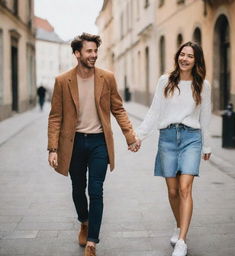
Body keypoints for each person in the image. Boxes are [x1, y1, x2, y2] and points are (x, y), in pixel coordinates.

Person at [47, 33, 140, 256]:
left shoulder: (107, 77)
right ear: (77, 53)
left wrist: (130, 136)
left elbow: (118, 108)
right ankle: (84, 221)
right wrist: (53, 148)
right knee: (78, 188)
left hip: (99, 142)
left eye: (96, 51)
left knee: (95, 190)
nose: (94, 55)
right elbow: (55, 116)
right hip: (74, 143)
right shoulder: (63, 80)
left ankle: (92, 242)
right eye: (89, 51)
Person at [135, 41, 211, 256]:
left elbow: (205, 115)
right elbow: (154, 111)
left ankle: (182, 241)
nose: (184, 59)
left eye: (190, 56)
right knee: (172, 190)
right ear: (177, 56)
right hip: (167, 138)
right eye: (182, 54)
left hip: (191, 138)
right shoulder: (165, 81)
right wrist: (139, 136)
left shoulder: (203, 85)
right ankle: (179, 226)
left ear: (197, 61)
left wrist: (207, 144)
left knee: (185, 188)